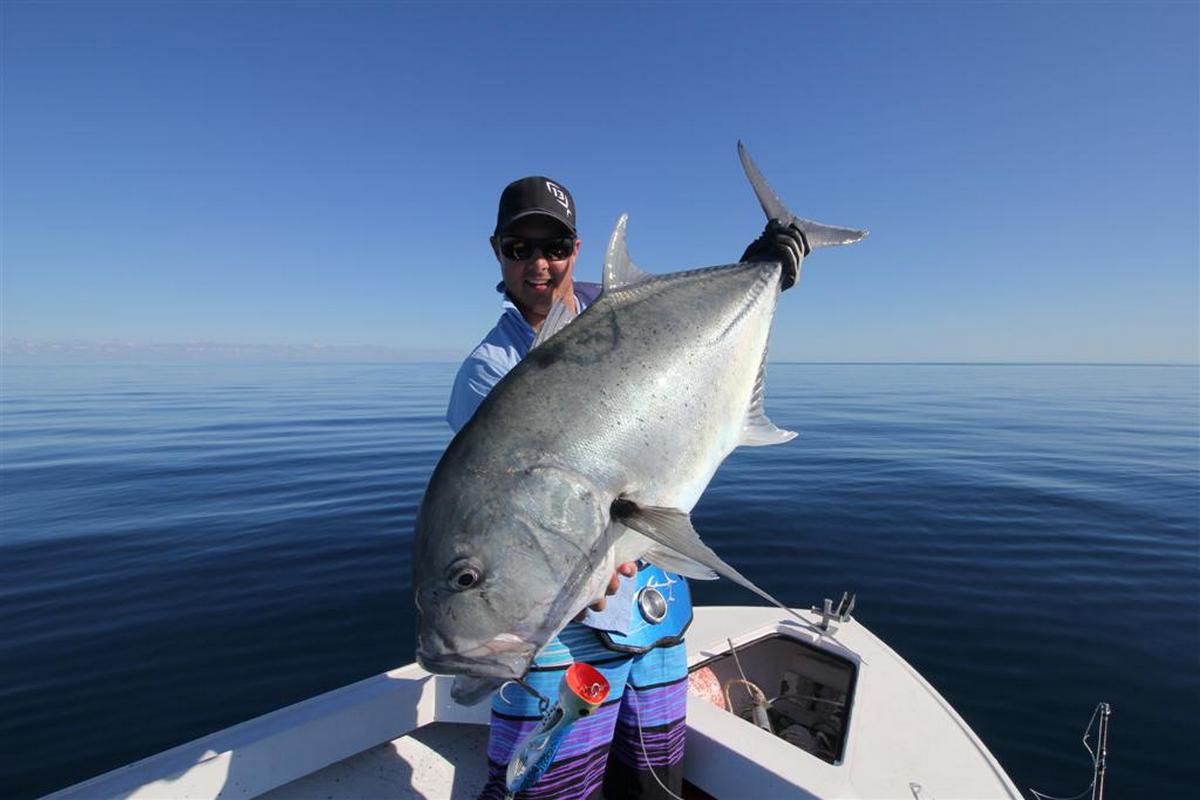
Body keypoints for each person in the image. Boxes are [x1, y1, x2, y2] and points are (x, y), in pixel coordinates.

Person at [447, 175, 806, 800]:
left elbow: (695, 351)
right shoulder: (490, 370)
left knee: (656, 783)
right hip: (561, 634)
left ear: (576, 249)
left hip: (655, 608)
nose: (538, 263)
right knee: (552, 792)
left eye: (553, 246)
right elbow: (501, 512)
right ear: (497, 250)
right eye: (519, 246)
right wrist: (590, 562)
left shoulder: (625, 315)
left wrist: (764, 269)